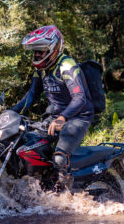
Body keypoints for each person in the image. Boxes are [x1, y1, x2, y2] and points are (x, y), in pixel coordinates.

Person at [10, 25, 94, 190]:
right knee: (27, 147)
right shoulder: (41, 70)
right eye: (34, 51)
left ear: (53, 49)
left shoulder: (67, 65)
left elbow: (80, 98)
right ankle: (44, 185)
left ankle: (70, 195)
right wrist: (10, 113)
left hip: (77, 117)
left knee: (59, 159)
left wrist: (62, 118)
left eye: (40, 51)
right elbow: (31, 96)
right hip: (53, 119)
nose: (36, 55)